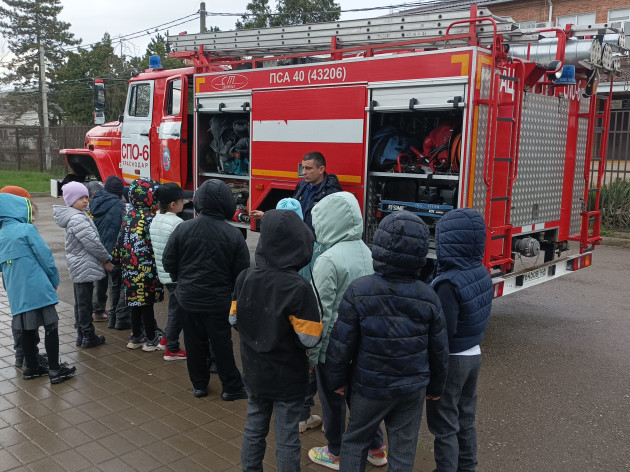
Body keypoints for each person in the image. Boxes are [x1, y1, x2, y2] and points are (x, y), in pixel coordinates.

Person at [325, 211, 449, 471]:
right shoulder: (429, 296)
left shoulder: (359, 290)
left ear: (378, 247)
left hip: (369, 386)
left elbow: (341, 343)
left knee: (355, 441)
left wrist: (336, 381)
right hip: (412, 388)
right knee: (403, 448)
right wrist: (436, 388)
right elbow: (439, 349)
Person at [233, 209, 323, 472]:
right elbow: (309, 338)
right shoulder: (298, 287)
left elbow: (233, 320)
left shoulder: (244, 277)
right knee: (286, 437)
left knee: (253, 427)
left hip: (254, 371)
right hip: (288, 378)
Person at [306, 192, 387, 470]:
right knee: (359, 398)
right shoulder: (369, 251)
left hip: (333, 349)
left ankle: (336, 450)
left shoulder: (327, 260)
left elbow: (321, 314)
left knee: (332, 401)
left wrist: (312, 355)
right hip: (363, 347)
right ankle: (377, 448)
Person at [163, 179, 249, 400]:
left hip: (187, 299)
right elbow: (242, 273)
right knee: (222, 343)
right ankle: (231, 387)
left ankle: (199, 385)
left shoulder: (183, 228)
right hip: (218, 301)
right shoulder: (234, 235)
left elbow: (168, 261)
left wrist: (181, 281)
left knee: (193, 343)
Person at [426, 208, 494, 472]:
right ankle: (468, 467)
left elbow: (442, 335)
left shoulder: (448, 283)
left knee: (444, 424)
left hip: (452, 361)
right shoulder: (481, 271)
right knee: (465, 418)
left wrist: (433, 378)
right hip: (474, 353)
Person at [0, 193, 77, 384]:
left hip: (17, 293)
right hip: (38, 287)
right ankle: (54, 370)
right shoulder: (26, 229)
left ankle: (31, 367)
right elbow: (45, 257)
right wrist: (54, 279)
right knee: (51, 327)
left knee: (27, 329)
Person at [276, 197, 323, 433]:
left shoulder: (270, 245)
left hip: (280, 314)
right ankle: (303, 415)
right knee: (308, 366)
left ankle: (290, 409)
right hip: (305, 312)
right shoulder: (313, 246)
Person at [54, 182, 112, 348]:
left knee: (81, 302)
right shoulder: (78, 218)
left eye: (86, 197)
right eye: (80, 198)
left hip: (80, 264)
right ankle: (88, 335)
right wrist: (105, 260)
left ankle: (82, 334)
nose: (85, 201)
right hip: (84, 264)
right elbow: (93, 243)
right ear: (71, 200)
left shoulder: (77, 215)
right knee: (84, 302)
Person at [111, 178, 164, 351]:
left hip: (129, 270)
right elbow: (153, 243)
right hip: (146, 269)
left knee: (134, 303)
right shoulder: (150, 219)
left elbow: (120, 241)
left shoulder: (129, 216)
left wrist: (116, 258)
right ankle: (150, 338)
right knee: (146, 304)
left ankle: (136, 336)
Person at [0, 186, 47, 370]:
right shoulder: (15, 228)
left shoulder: (8, 225)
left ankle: (27, 354)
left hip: (13, 276)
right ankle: (25, 355)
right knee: (25, 317)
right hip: (19, 276)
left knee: (22, 315)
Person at [250, 151, 342, 235]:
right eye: (303, 168)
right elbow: (289, 214)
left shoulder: (331, 193)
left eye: (308, 168)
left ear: (321, 169)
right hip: (300, 240)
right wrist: (266, 216)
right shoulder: (302, 186)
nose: (304, 172)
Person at [149, 182, 190, 361]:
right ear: (173, 204)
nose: (185, 203)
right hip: (176, 274)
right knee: (177, 311)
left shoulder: (156, 219)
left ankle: (166, 339)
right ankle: (172, 349)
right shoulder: (177, 223)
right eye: (182, 201)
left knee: (175, 307)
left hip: (164, 273)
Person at [89, 175, 130, 328]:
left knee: (99, 281)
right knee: (117, 284)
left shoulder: (94, 203)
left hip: (99, 249)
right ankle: (117, 317)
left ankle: (98, 311)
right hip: (115, 250)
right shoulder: (121, 206)